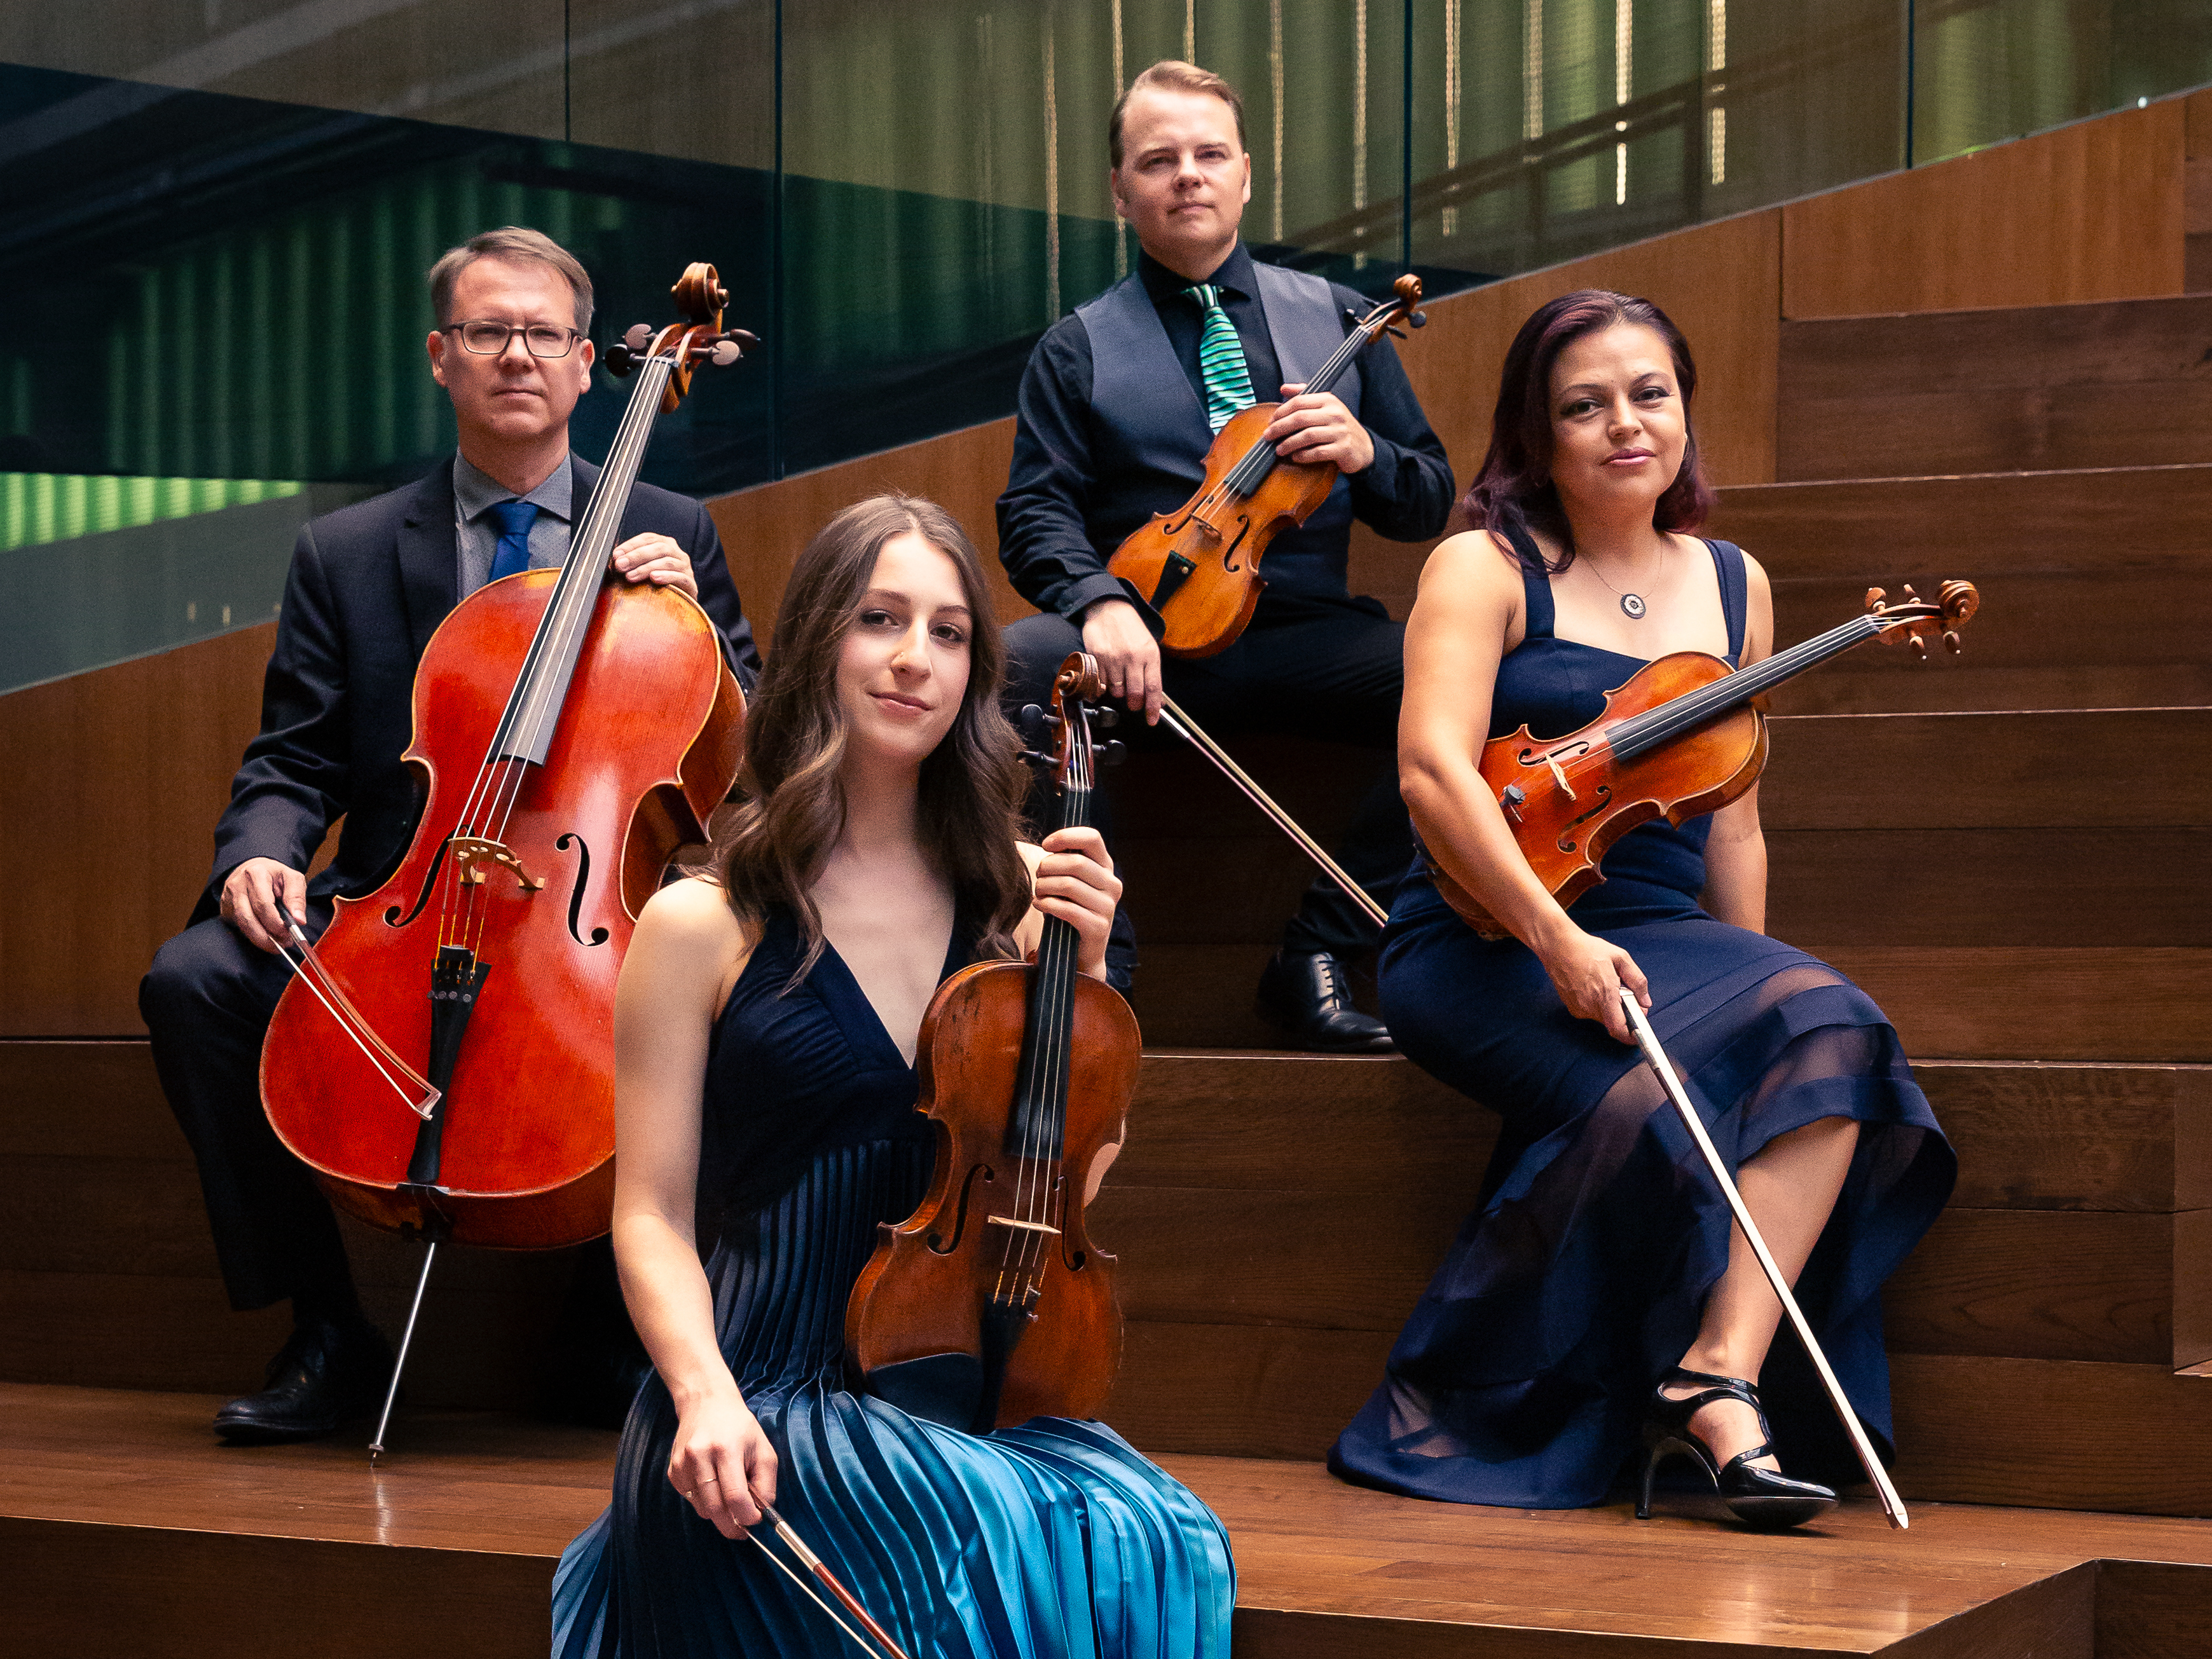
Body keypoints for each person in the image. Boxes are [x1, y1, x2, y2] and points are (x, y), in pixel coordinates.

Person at [552, 494, 1235, 1658]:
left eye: (950, 632)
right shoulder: (700, 920)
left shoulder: (1023, 902)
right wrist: (704, 1394)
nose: (916, 657)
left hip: (958, 1383)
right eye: (880, 619)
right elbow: (651, 1215)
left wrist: (1085, 979)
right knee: (984, 1528)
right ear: (819, 640)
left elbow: (1064, 1193)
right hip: (759, 1388)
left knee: (1163, 1534)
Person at [1329, 290, 1955, 1527]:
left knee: (1829, 1033)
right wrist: (1557, 938)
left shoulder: (1734, 583)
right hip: (1483, 933)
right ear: (1538, 432)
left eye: (1650, 393)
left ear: (1685, 412)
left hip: (1666, 933)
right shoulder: (1484, 565)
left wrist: (1755, 1010)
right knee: (1655, 1110)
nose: (1626, 422)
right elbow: (1432, 773)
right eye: (1587, 403)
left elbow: (1737, 820)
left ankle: (1717, 1374)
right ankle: (1487, 1398)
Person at [138, 226, 762, 1444]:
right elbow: (293, 757)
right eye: (487, 331)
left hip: (592, 910)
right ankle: (327, 1331)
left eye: (543, 333)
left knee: (747, 989)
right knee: (195, 979)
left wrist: (693, 622)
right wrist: (259, 850)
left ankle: (613, 1323)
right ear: (441, 356)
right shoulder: (348, 552)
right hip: (404, 906)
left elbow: (754, 743)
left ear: (586, 362)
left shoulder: (671, 524)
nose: (516, 355)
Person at [996, 59, 1455, 1051]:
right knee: (1017, 663)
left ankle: (1322, 948)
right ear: (1122, 191)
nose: (1188, 175)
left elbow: (1428, 496)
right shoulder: (1077, 346)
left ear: (1246, 174)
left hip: (1305, 636)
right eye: (1158, 160)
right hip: (1147, 642)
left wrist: (1367, 452)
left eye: (1210, 154)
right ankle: (1099, 966)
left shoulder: (1342, 318)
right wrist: (1101, 602)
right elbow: (1034, 510)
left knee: (1488, 681)